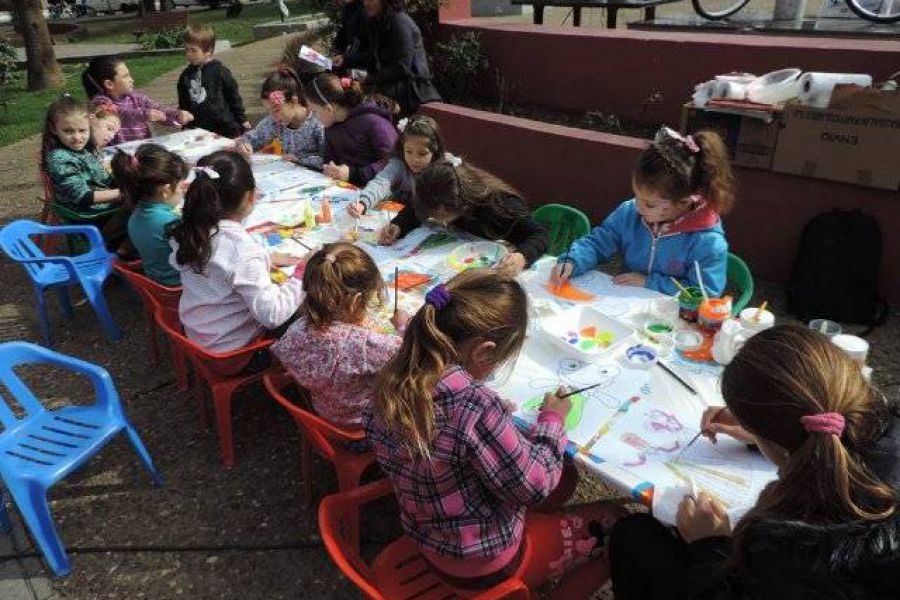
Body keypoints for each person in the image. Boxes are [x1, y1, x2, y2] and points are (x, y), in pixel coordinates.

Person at [366, 269, 625, 592]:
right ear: (484, 351)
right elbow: (536, 484)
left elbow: (450, 428)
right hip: (483, 562)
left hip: (429, 533)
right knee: (619, 525)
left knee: (568, 474)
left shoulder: (394, 374)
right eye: (500, 360)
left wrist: (488, 414)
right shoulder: (472, 405)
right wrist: (552, 420)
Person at [608, 324, 900, 600]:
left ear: (771, 440)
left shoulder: (783, 543)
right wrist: (777, 438)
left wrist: (708, 545)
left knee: (634, 534)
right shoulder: (884, 429)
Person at [550, 126, 736, 297]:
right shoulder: (629, 213)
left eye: (649, 204)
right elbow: (598, 242)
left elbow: (705, 294)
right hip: (625, 307)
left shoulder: (707, 243)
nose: (637, 207)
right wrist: (573, 260)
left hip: (672, 321)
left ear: (683, 203)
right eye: (636, 196)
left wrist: (649, 282)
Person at [169, 151, 304, 353]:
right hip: (234, 351)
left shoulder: (192, 227)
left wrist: (265, 257)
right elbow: (272, 315)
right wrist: (303, 272)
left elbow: (222, 262)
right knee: (308, 313)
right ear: (251, 197)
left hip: (200, 334)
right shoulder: (241, 249)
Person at [271, 243, 408, 429]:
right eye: (368, 300)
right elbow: (408, 360)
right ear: (355, 302)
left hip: (323, 414)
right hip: (365, 428)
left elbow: (283, 353)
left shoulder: (296, 329)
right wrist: (401, 327)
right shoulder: (366, 345)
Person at [377, 159, 548, 275]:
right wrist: (398, 225)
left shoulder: (501, 206)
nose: (436, 218)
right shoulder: (437, 194)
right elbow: (416, 209)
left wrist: (522, 257)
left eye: (439, 215)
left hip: (492, 265)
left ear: (462, 205)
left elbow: (539, 233)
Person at [41, 95, 126, 250]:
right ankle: (120, 252)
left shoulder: (84, 152)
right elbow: (83, 197)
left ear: (90, 125)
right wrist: (124, 193)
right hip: (89, 217)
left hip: (100, 209)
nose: (77, 137)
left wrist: (130, 180)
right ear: (54, 129)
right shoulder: (59, 158)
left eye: (82, 130)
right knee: (142, 208)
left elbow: (105, 180)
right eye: (68, 131)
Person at [342, 0, 441, 116]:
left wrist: (369, 79)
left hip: (411, 91)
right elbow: (373, 55)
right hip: (389, 86)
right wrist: (346, 59)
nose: (365, 3)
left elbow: (402, 67)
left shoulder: (399, 23)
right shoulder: (377, 22)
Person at [110, 144, 188, 287]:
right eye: (181, 187)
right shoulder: (170, 223)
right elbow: (197, 257)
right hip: (178, 287)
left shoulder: (135, 214)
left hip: (156, 280)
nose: (182, 191)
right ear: (165, 189)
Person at [346, 114, 451, 217]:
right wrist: (362, 203)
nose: (415, 159)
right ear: (402, 148)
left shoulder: (444, 171)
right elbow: (381, 183)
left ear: (435, 150)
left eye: (422, 154)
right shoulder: (399, 164)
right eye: (409, 151)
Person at [303, 73, 397, 187]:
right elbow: (330, 161)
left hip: (377, 191)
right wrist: (332, 170)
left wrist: (354, 174)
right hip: (346, 190)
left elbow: (394, 162)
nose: (314, 116)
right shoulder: (330, 127)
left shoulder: (374, 122)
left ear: (329, 109)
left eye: (314, 111)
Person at [83, 56, 193, 144]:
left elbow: (158, 109)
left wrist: (176, 115)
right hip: (117, 153)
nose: (131, 79)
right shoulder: (100, 102)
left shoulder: (137, 98)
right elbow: (119, 113)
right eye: (125, 76)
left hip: (141, 149)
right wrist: (145, 114)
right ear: (109, 84)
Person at [235, 67, 325, 170]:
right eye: (269, 111)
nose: (273, 116)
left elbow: (329, 158)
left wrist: (300, 160)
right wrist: (244, 144)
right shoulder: (275, 122)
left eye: (276, 110)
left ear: (293, 101)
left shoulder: (318, 122)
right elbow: (254, 138)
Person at [177, 23, 249, 138]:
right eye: (187, 50)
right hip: (199, 129)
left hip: (225, 127)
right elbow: (184, 102)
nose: (188, 54)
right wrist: (184, 122)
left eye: (193, 50)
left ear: (208, 51)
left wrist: (242, 119)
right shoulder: (186, 76)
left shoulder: (220, 71)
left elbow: (233, 96)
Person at [330, 0, 366, 74]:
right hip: (353, 56)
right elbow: (344, 33)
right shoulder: (348, 8)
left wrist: (346, 59)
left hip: (364, 62)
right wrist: (336, 50)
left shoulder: (365, 10)